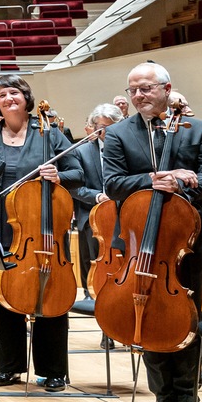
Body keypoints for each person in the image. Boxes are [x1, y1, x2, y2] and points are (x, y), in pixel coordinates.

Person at [102, 62, 202, 402]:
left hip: (186, 241)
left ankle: (189, 396)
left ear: (167, 89)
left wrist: (186, 184)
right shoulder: (119, 134)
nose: (138, 95)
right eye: (132, 89)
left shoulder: (197, 129)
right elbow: (113, 185)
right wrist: (156, 178)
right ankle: (163, 398)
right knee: (147, 314)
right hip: (142, 241)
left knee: (189, 316)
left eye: (146, 88)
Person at [0, 74, 81, 393]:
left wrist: (58, 175)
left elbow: (78, 172)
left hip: (41, 228)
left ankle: (53, 369)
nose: (8, 98)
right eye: (2, 94)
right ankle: (10, 367)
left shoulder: (50, 133)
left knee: (50, 296)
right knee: (3, 295)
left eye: (14, 92)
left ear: (26, 98)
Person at [73, 103, 120, 299]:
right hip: (92, 216)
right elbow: (74, 187)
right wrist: (97, 196)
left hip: (123, 214)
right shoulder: (81, 151)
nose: (105, 132)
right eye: (100, 127)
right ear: (93, 127)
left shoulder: (128, 150)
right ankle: (90, 296)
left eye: (110, 127)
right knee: (92, 260)